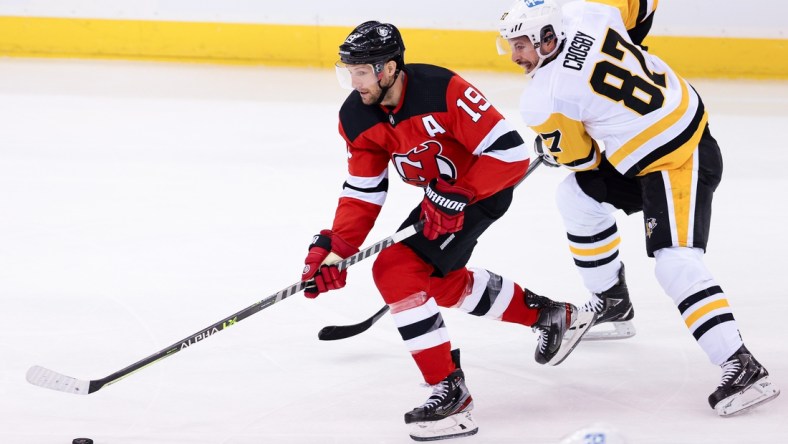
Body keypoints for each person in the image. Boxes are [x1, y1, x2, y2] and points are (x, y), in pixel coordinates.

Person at [299, 20, 595, 441]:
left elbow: (509, 152)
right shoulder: (357, 116)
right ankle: (551, 315)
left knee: (395, 270)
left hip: (481, 189)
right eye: (349, 71)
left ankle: (451, 394)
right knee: (433, 283)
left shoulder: (442, 89)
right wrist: (337, 248)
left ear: (388, 68)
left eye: (362, 71)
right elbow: (363, 191)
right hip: (439, 200)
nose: (354, 81)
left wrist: (462, 192)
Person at [496, 0, 780, 416]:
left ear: (545, 37)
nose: (515, 56)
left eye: (520, 45)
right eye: (509, 45)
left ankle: (741, 364)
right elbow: (642, 7)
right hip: (650, 144)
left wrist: (553, 147)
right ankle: (612, 301)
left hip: (681, 155)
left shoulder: (544, 98)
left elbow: (583, 158)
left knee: (675, 262)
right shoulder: (592, 11)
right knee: (576, 197)